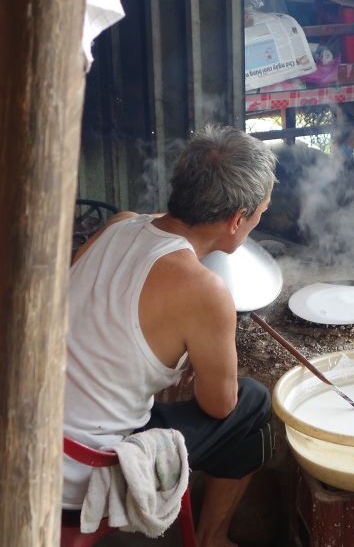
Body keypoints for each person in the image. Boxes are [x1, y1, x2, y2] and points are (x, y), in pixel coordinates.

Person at [62, 125, 277, 547]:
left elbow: (92, 315)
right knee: (252, 403)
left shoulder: (119, 225)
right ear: (237, 220)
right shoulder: (206, 291)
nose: (254, 223)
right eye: (259, 214)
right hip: (84, 470)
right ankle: (211, 538)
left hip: (27, 435)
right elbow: (219, 407)